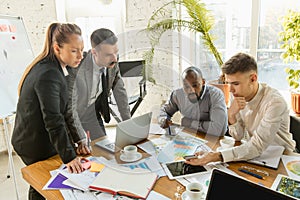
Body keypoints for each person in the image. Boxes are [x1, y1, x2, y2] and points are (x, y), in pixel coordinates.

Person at [11, 23, 88, 200]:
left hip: (42, 137)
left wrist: (78, 139)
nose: (80, 56)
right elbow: (54, 119)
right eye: (74, 50)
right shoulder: (48, 74)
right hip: (32, 143)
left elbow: (66, 108)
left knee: (43, 184)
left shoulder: (60, 67)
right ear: (57, 48)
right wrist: (69, 157)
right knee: (43, 183)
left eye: (81, 50)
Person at [186, 52, 296, 166]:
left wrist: (215, 156)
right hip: (255, 156)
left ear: (253, 79)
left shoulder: (275, 102)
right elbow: (238, 136)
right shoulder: (238, 95)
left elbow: (257, 146)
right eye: (229, 84)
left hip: (283, 159)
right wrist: (231, 116)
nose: (231, 90)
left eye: (236, 84)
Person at [68, 28, 131, 142]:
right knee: (79, 153)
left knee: (103, 148)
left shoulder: (113, 62)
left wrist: (129, 123)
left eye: (116, 52)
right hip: (72, 117)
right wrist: (81, 138)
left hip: (92, 114)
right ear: (94, 52)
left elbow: (120, 92)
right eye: (108, 55)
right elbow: (71, 108)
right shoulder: (77, 67)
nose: (115, 59)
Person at [158, 66, 228, 136]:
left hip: (212, 139)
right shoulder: (177, 95)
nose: (191, 90)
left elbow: (220, 130)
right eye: (186, 86)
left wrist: (188, 123)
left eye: (195, 85)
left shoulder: (215, 95)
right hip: (189, 136)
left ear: (203, 82)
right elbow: (164, 111)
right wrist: (163, 120)